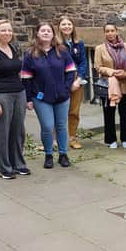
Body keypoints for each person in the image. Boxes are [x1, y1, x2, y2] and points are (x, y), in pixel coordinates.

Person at [21, 22, 76, 169]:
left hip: (61, 97)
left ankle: (63, 154)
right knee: (47, 126)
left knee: (61, 126)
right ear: (37, 34)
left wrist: (65, 89)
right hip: (41, 98)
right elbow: (26, 78)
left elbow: (71, 71)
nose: (46, 33)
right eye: (42, 31)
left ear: (53, 34)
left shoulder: (62, 51)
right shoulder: (30, 55)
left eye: (48, 31)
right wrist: (28, 98)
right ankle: (49, 154)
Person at [0, 19, 29, 179]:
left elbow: (16, 72)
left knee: (18, 132)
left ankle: (18, 164)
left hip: (18, 93)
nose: (7, 33)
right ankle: (4, 168)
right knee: (2, 133)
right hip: (0, 95)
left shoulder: (13, 48)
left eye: (9, 30)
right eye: (3, 30)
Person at [94, 23, 126, 149]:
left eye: (112, 30)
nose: (110, 33)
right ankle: (111, 140)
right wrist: (112, 72)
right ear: (104, 33)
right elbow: (98, 66)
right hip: (109, 84)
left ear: (117, 31)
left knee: (125, 113)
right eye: (107, 31)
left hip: (125, 83)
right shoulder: (100, 48)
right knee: (109, 113)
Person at [57, 16, 88, 150]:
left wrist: (78, 79)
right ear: (59, 27)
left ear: (73, 27)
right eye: (63, 24)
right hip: (60, 81)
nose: (66, 27)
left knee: (74, 111)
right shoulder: (55, 43)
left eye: (69, 24)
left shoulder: (78, 43)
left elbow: (83, 62)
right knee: (57, 111)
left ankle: (72, 138)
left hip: (76, 81)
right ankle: (54, 139)